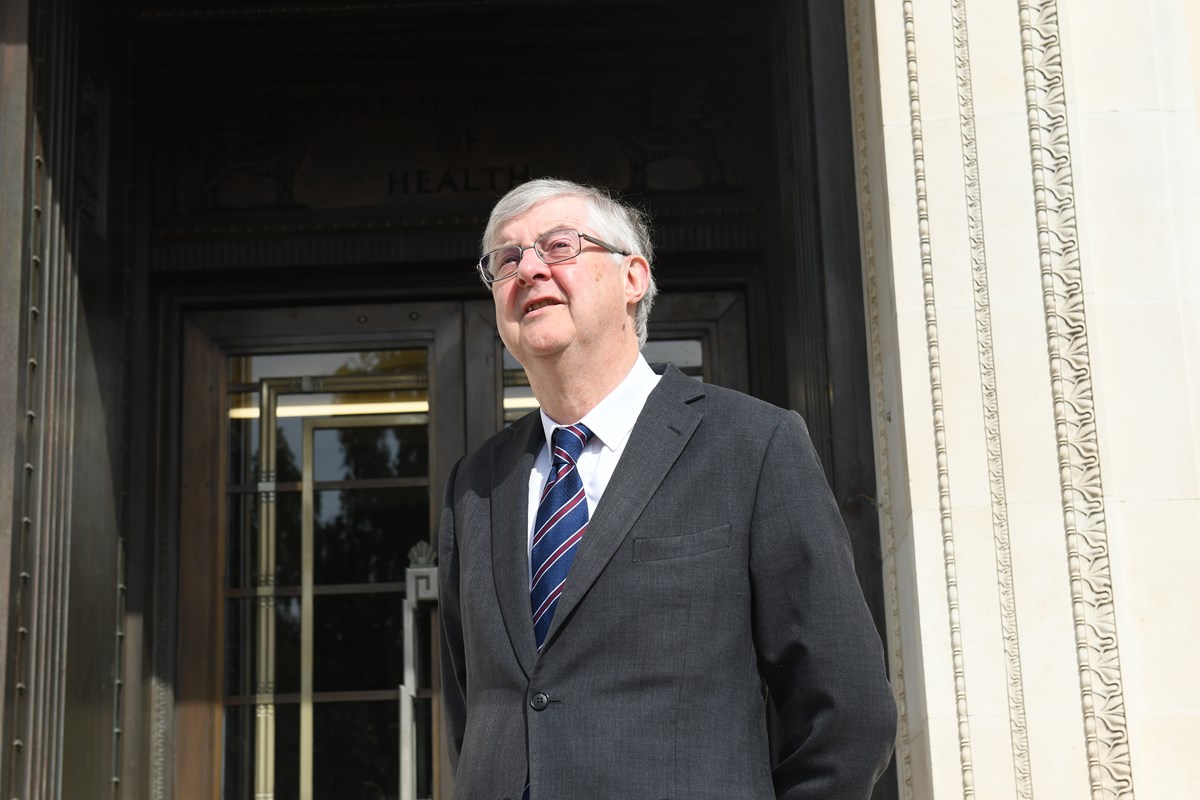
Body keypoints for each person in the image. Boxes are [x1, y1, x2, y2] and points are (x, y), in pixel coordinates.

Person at [438, 177, 896, 800]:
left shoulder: (752, 444)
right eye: (506, 259)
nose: (529, 270)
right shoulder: (476, 483)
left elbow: (848, 707)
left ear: (632, 279)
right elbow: (476, 706)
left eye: (559, 246)